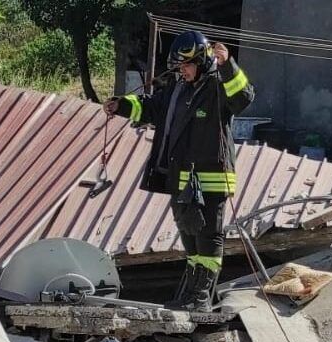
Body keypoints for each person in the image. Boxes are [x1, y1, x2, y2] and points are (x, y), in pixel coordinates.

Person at [104, 30, 254, 311]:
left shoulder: (217, 86)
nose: (182, 71)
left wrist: (228, 65)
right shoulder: (177, 90)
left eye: (186, 65)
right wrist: (121, 105)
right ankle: (190, 295)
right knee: (190, 239)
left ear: (202, 60)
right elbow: (150, 108)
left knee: (208, 239)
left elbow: (243, 98)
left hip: (211, 179)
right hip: (183, 181)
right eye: (179, 66)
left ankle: (200, 298)